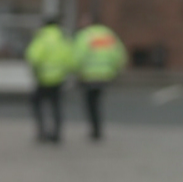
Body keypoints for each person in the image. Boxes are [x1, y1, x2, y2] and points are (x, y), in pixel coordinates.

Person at [73, 13, 127, 141]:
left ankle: (95, 129)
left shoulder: (85, 35)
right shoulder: (108, 35)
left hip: (89, 75)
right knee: (97, 102)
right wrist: (115, 70)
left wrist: (76, 70)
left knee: (90, 103)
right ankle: (98, 128)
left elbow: (78, 56)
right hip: (105, 75)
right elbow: (119, 54)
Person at [25, 15, 74, 144]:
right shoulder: (63, 37)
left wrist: (36, 70)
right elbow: (70, 57)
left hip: (43, 78)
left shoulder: (42, 36)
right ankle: (57, 133)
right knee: (56, 106)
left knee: (37, 103)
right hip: (59, 78)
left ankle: (42, 131)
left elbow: (33, 56)